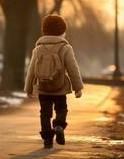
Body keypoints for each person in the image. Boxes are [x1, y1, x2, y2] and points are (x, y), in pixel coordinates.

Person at [24, 14, 83, 149]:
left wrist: (28, 88)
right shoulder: (65, 48)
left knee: (45, 113)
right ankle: (58, 125)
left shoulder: (38, 49)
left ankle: (47, 141)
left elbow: (31, 70)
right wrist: (77, 88)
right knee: (61, 108)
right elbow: (73, 68)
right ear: (62, 30)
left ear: (43, 30)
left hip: (43, 87)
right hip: (60, 87)